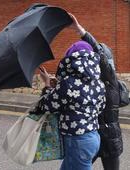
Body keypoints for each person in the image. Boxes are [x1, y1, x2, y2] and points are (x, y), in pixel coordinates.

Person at [34, 39, 106, 170]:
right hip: (93, 137)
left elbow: (47, 106)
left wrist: (47, 85)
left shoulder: (68, 83)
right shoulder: (98, 83)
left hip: (77, 140)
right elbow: (100, 108)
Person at [69, 14, 123, 170]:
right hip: (93, 138)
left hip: (108, 140)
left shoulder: (111, 81)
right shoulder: (90, 81)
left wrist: (82, 32)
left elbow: (100, 57)